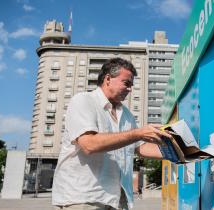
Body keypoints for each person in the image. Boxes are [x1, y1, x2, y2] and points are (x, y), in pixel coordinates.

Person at [52, 57, 171, 210]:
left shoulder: (126, 114)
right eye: (126, 83)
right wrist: (138, 133)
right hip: (84, 198)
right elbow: (89, 144)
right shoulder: (83, 101)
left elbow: (139, 148)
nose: (130, 89)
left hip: (117, 199)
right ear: (108, 79)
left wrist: (179, 152)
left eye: (131, 85)